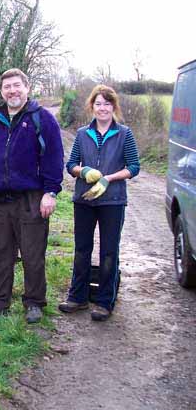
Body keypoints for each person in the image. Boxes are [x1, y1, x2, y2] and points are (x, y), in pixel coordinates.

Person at [0, 68, 64, 324]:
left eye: (16, 86)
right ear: (2, 91)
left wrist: (51, 192)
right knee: (0, 254)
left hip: (31, 198)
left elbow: (54, 157)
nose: (12, 91)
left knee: (33, 254)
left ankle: (34, 302)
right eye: (7, 87)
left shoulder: (42, 119)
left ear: (27, 88)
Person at [59, 85, 140, 321]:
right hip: (84, 199)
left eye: (107, 103)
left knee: (108, 252)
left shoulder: (124, 134)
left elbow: (134, 167)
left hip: (112, 201)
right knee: (82, 249)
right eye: (98, 104)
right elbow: (71, 164)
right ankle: (78, 297)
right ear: (91, 107)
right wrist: (83, 171)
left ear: (113, 107)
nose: (102, 108)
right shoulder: (83, 133)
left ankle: (105, 301)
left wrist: (109, 178)